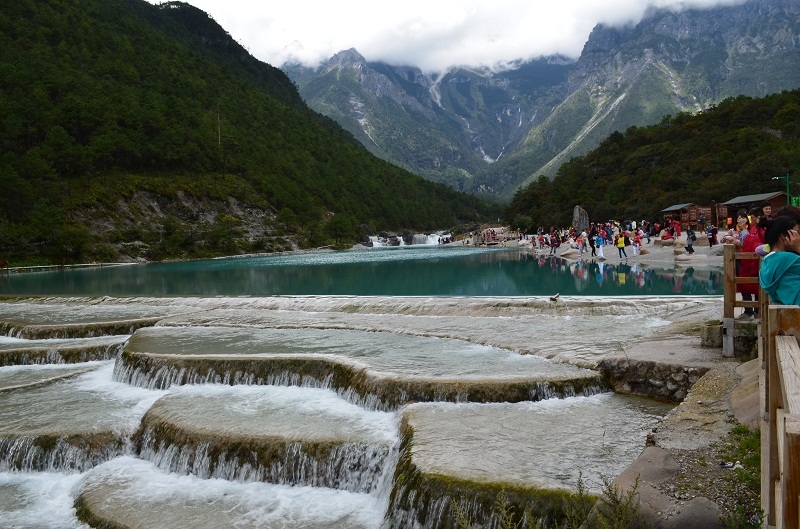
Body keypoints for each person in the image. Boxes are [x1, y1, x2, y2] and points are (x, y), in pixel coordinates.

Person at [759, 216, 800, 306]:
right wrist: (798, 247)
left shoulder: (766, 261)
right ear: (783, 236)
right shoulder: (790, 259)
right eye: (796, 233)